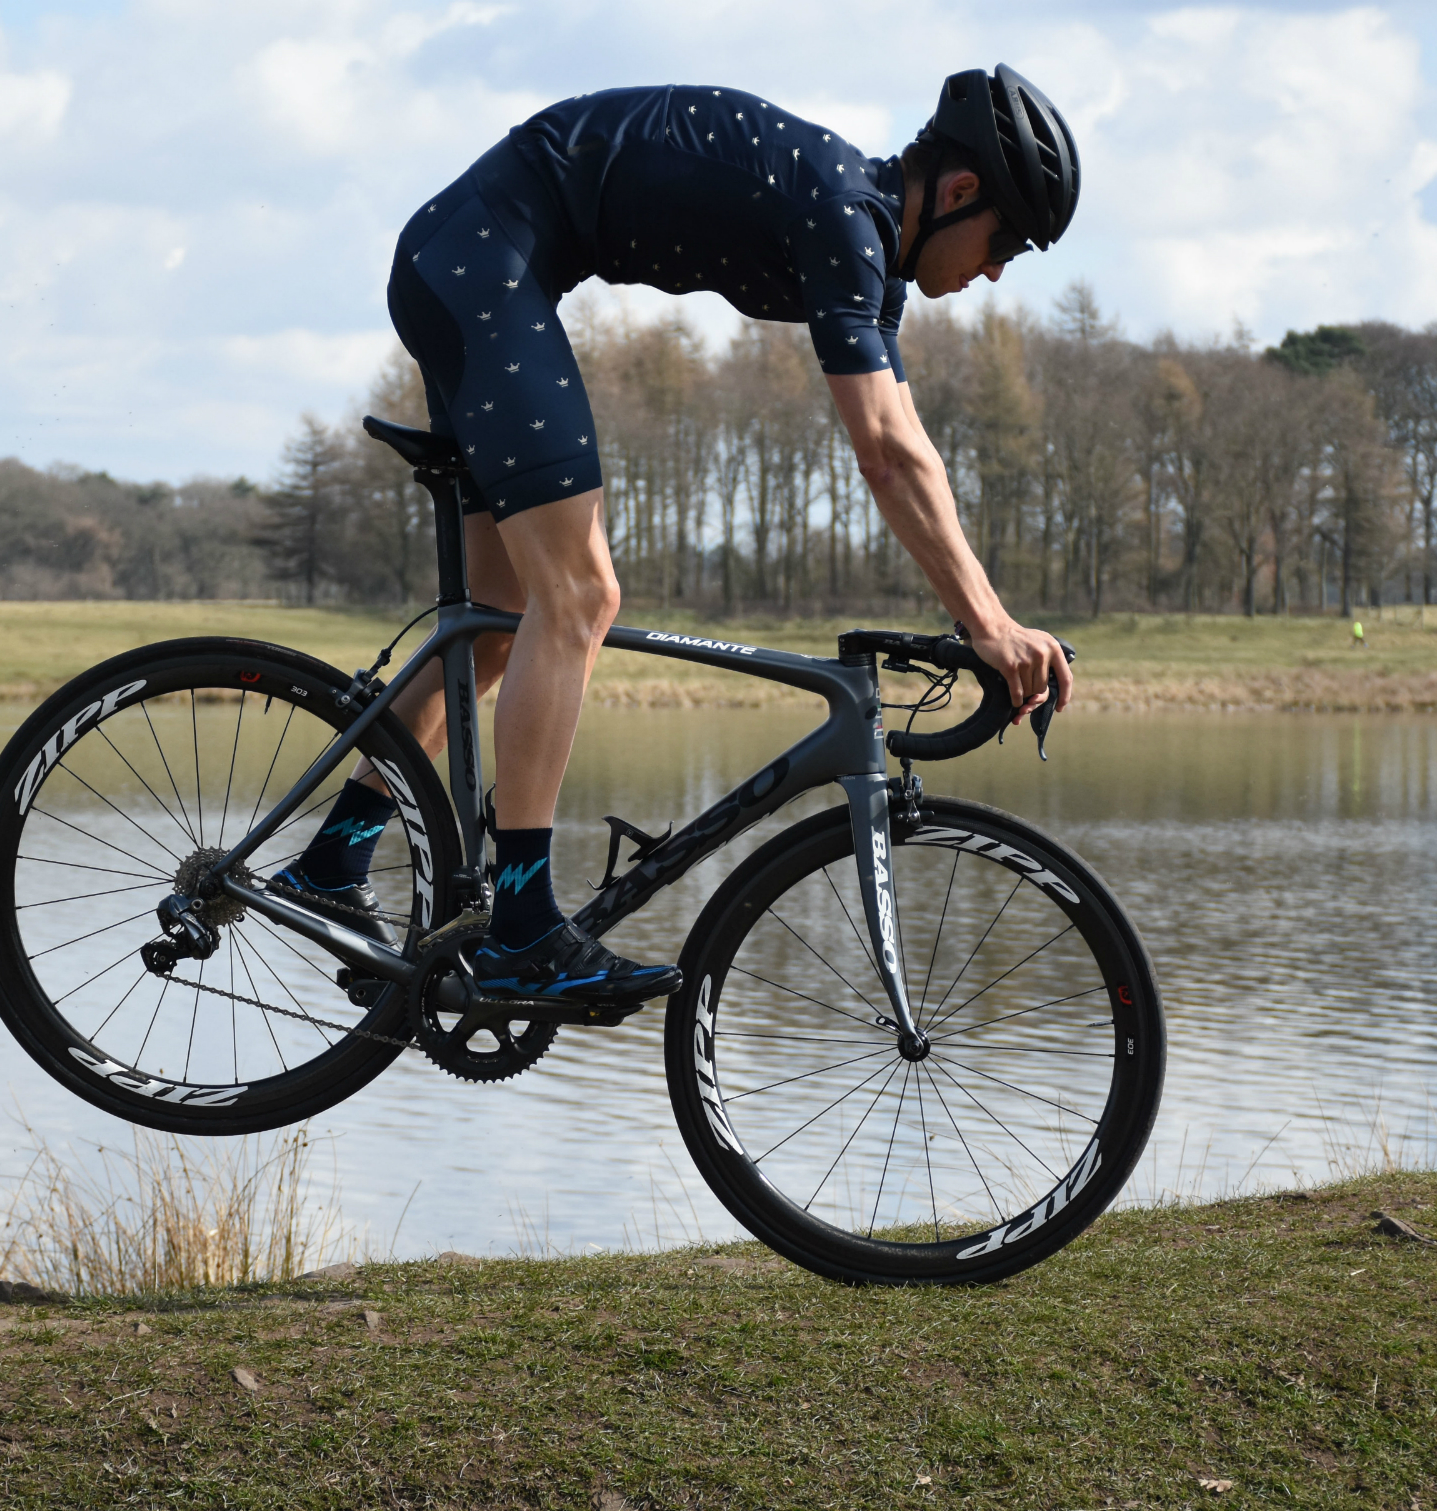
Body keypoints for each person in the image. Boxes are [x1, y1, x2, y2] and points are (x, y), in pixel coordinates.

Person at [274, 67, 1083, 1012]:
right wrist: (989, 624)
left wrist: (992, 614)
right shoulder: (844, 212)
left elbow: (911, 451)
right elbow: (888, 460)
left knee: (503, 626)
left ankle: (333, 859)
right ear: (959, 193)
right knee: (581, 597)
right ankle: (522, 929)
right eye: (1007, 245)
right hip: (480, 260)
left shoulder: (867, 251)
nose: (993, 271)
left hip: (474, 260)